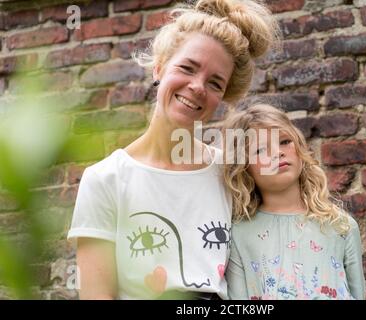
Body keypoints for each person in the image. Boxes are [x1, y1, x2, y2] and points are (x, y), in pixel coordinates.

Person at [67, 0, 280, 299]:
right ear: (159, 67)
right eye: (187, 68)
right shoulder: (105, 180)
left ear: (223, 96)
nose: (197, 87)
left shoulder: (231, 174)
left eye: (215, 83)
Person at [222, 104, 366, 300]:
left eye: (284, 141)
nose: (277, 153)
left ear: (299, 147)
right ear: (243, 166)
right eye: (261, 149)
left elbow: (359, 294)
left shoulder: (340, 225)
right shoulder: (238, 233)